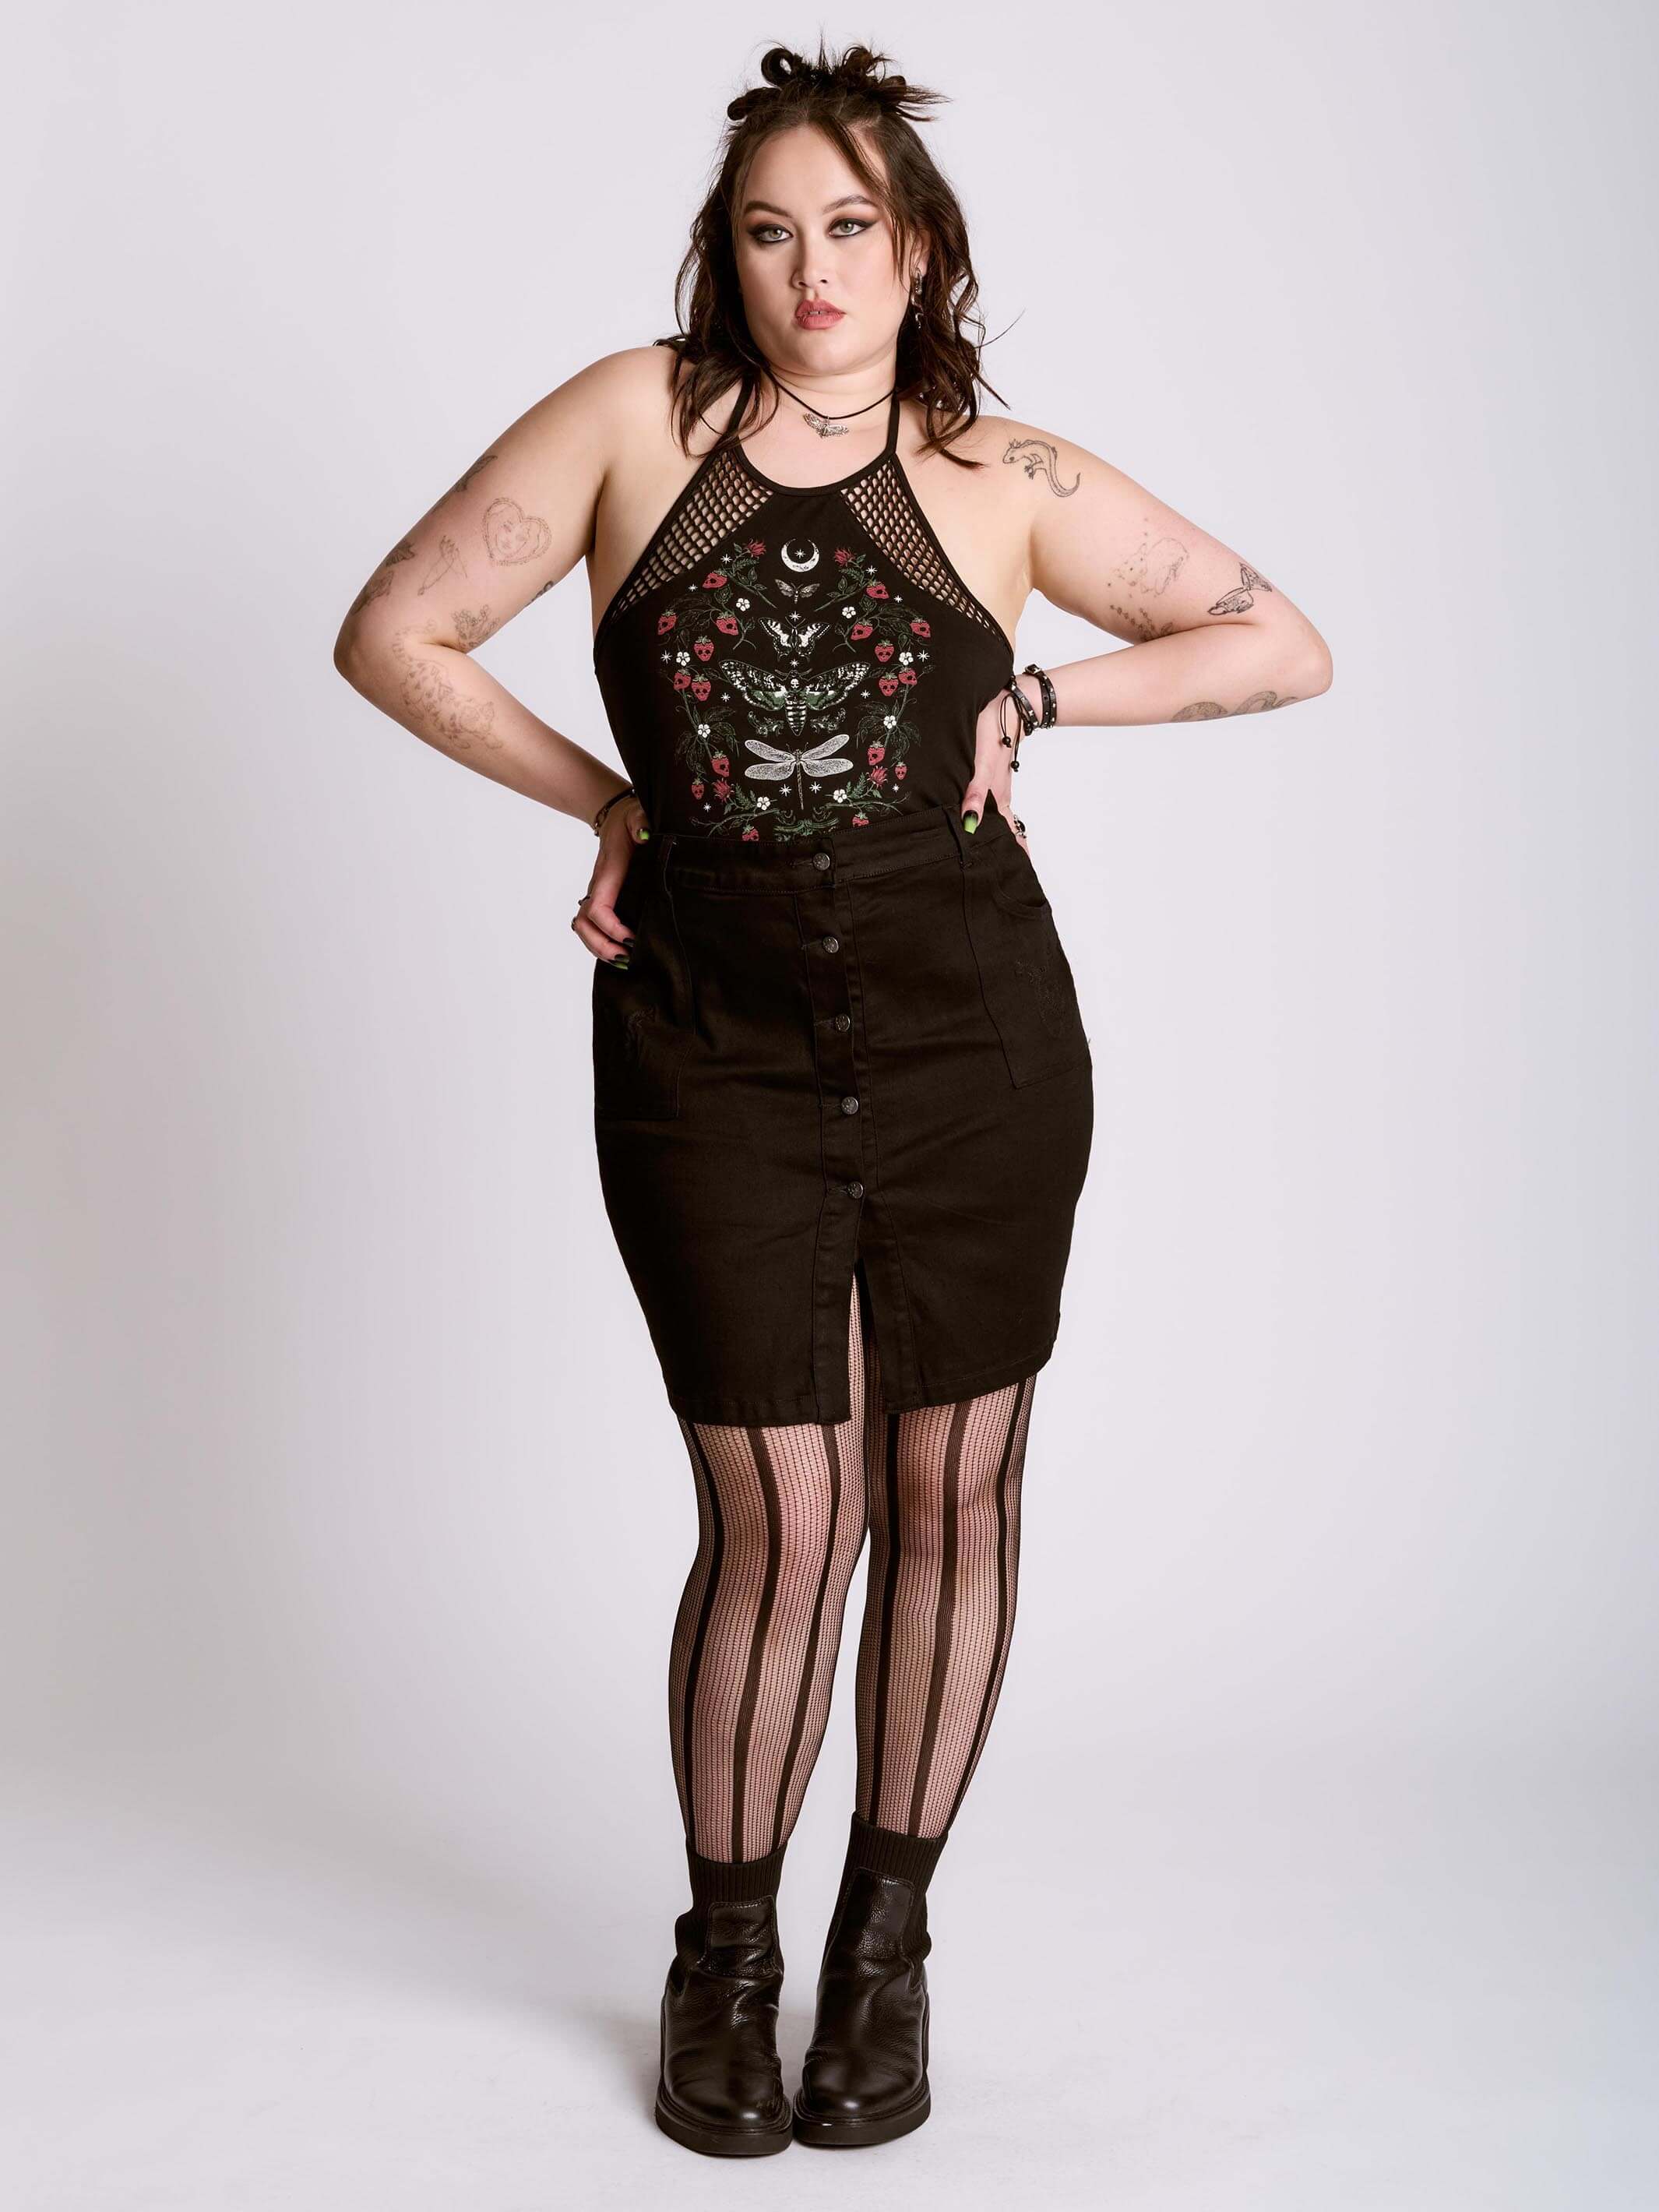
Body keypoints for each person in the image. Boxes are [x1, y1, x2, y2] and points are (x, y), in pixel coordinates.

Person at [333, 37, 1333, 2159]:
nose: (812, 271)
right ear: (727, 253)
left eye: (851, 228)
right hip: (710, 1040)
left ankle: (887, 1949)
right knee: (784, 1515)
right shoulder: (633, 419)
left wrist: (1045, 691)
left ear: (922, 249)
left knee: (953, 1493)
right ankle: (725, 1957)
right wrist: (606, 799)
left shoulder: (1004, 470)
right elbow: (398, 630)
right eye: (769, 231)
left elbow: (1280, 644)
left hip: (976, 1042)